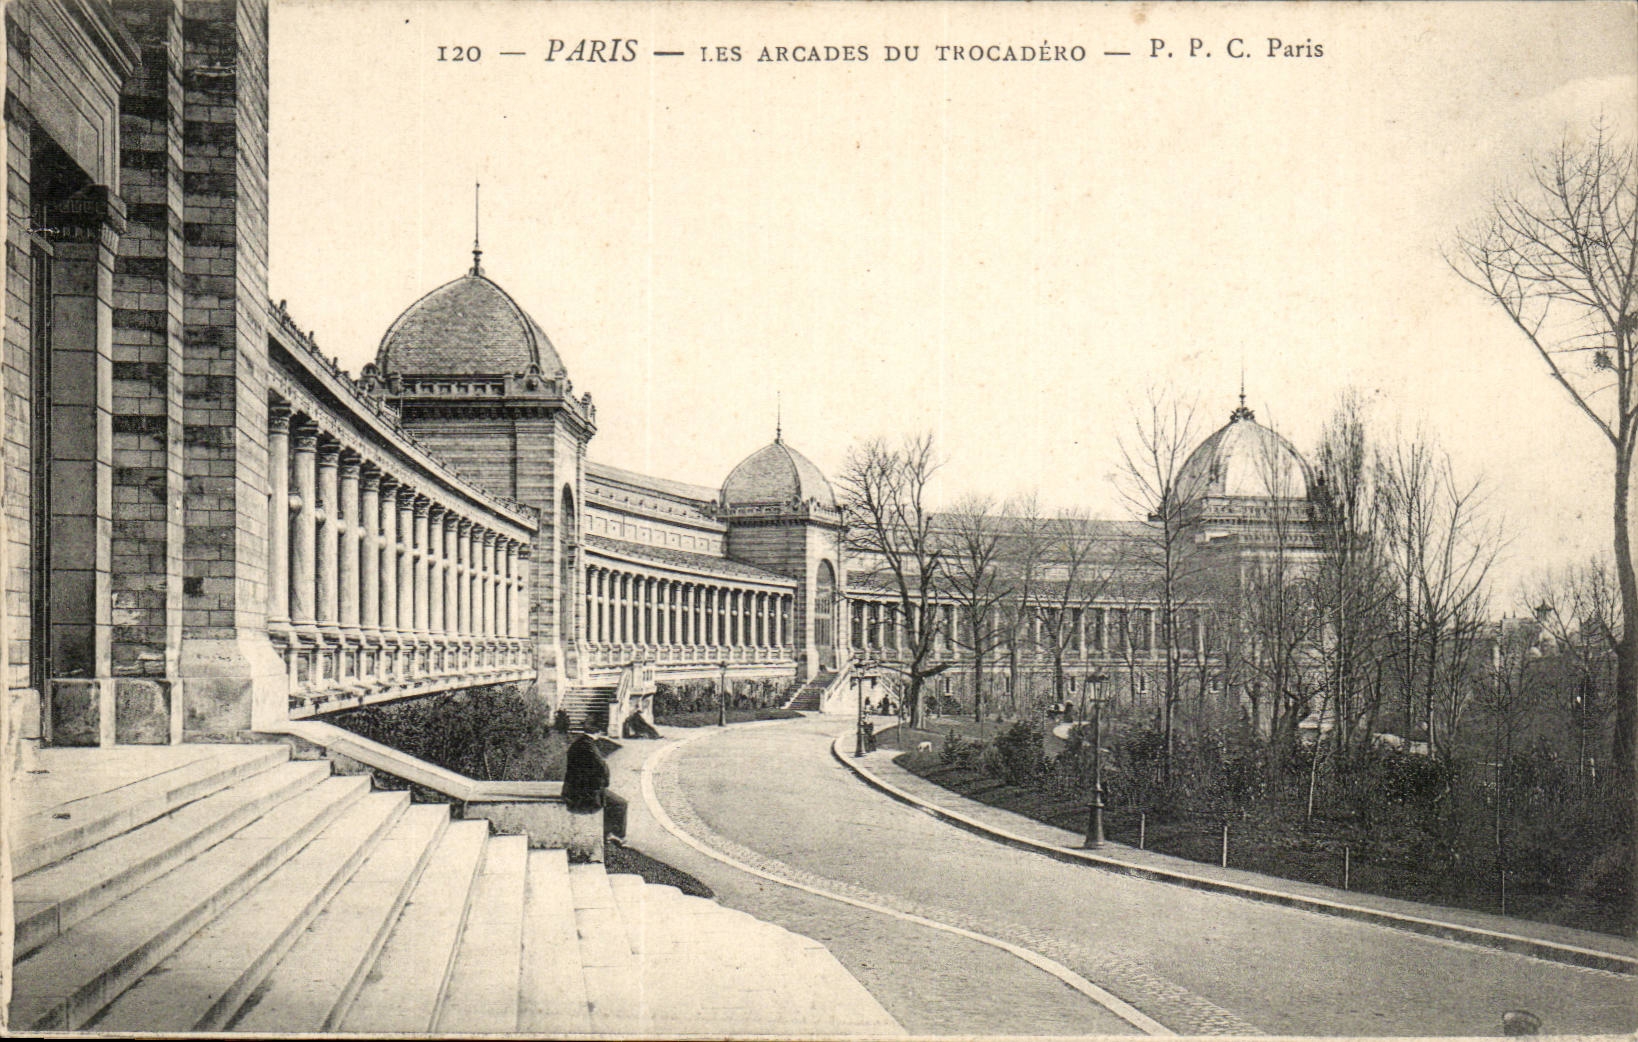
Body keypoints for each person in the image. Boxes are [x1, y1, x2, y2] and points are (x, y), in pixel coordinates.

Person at [563, 730, 609, 814]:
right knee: (620, 804)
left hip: (572, 788)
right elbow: (602, 767)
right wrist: (605, 783)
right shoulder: (589, 746)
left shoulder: (577, 744)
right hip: (585, 792)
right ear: (598, 732)